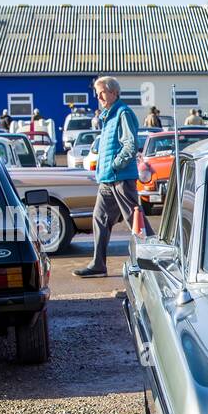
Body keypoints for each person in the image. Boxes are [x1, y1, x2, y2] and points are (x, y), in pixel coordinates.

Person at [75, 76, 153, 279]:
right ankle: (98, 264)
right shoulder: (108, 115)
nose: (99, 96)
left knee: (136, 221)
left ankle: (157, 258)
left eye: (102, 92)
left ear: (114, 92)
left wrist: (115, 164)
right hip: (107, 180)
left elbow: (130, 145)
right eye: (97, 93)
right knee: (99, 219)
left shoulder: (123, 113)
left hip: (121, 178)